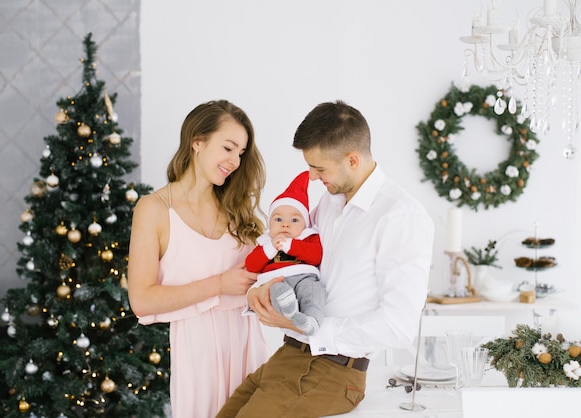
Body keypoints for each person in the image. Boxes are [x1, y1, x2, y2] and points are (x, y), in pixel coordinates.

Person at [217, 100, 434, 418]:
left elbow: (398, 326)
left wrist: (310, 329)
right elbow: (296, 260)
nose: (313, 177)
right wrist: (260, 290)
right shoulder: (330, 202)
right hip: (289, 355)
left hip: (334, 372)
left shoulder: (401, 217)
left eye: (319, 168)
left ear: (352, 160)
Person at [127, 100, 271, 418]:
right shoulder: (153, 209)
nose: (235, 161)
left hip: (248, 343)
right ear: (197, 141)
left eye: (241, 153)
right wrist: (220, 284)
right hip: (197, 353)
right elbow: (141, 299)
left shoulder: (237, 209)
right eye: (228, 148)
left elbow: (257, 278)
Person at [244, 170, 325, 336]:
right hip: (276, 281)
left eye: (295, 220)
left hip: (304, 277)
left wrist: (291, 246)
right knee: (277, 291)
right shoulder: (266, 242)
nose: (285, 225)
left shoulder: (308, 237)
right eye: (278, 219)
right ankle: (289, 311)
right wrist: (270, 248)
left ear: (305, 224)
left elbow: (316, 256)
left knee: (313, 292)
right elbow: (251, 265)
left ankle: (311, 321)